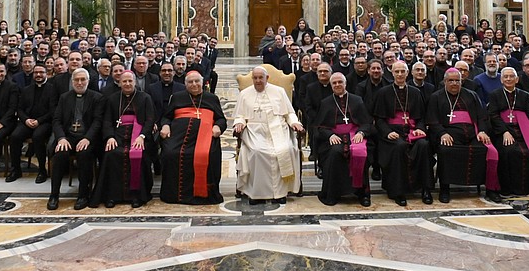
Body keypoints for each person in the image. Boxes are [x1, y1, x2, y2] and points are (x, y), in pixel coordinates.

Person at [233, 66, 303, 204]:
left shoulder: (279, 91)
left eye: (261, 78)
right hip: (254, 130)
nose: (258, 81)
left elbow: (289, 113)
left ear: (267, 78)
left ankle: (280, 193)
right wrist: (239, 123)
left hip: (278, 128)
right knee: (257, 152)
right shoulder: (245, 94)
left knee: (285, 150)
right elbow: (240, 115)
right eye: (255, 78)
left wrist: (295, 122)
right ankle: (256, 193)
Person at [427, 69, 499, 203]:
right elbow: (432, 120)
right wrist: (442, 133)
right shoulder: (436, 97)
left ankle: (490, 189)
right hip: (449, 134)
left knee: (486, 150)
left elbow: (482, 117)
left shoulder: (471, 95)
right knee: (446, 150)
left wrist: (482, 131)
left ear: (462, 81)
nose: (454, 83)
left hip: (473, 134)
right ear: (445, 81)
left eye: (457, 80)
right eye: (451, 80)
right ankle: (445, 188)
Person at [158, 72, 226, 204]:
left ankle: (206, 194)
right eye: (190, 82)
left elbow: (221, 118)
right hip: (179, 135)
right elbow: (167, 116)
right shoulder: (177, 97)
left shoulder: (212, 98)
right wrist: (165, 125)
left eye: (196, 81)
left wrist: (218, 126)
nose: (194, 84)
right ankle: (173, 194)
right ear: (185, 84)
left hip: (205, 135)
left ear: (202, 83)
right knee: (170, 153)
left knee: (207, 153)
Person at [372, 61, 433, 206]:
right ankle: (397, 191)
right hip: (392, 133)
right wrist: (387, 132)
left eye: (402, 71)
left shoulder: (415, 92)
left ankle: (426, 189)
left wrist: (420, 128)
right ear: (392, 73)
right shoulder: (383, 93)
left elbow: (421, 118)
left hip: (412, 131)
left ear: (408, 73)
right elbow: (379, 120)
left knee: (424, 145)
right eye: (396, 71)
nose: (399, 74)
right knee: (399, 147)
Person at [96, 72, 156, 208]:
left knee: (140, 155)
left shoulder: (145, 98)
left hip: (139, 135)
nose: (127, 84)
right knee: (111, 154)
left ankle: (137, 196)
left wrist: (142, 136)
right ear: (119, 83)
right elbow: (107, 121)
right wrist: (109, 137)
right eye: (124, 81)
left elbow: (150, 120)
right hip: (118, 135)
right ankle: (112, 195)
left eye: (130, 81)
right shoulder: (112, 99)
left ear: (135, 82)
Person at [312, 72, 372, 207]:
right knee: (335, 153)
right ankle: (333, 194)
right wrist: (329, 135)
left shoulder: (357, 100)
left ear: (345, 84)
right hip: (334, 138)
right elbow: (320, 127)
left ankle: (363, 194)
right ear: (331, 85)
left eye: (340, 82)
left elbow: (366, 122)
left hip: (355, 136)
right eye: (334, 83)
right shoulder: (326, 103)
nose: (337, 85)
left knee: (360, 152)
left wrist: (361, 132)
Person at [48, 68, 104, 210]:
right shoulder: (64, 97)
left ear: (88, 81)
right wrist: (61, 138)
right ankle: (54, 195)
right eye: (77, 80)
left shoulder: (97, 97)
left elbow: (98, 121)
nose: (80, 83)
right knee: (60, 155)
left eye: (83, 80)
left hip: (87, 138)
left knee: (84, 154)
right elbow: (56, 120)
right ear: (72, 81)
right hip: (68, 137)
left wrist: (87, 138)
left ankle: (83, 195)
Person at [488, 68, 529, 196]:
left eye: (511, 76)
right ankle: (508, 188)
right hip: (503, 130)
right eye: (506, 77)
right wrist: (504, 132)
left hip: (523, 129)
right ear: (501, 79)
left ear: (517, 79)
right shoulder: (495, 94)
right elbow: (493, 115)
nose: (508, 79)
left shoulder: (524, 95)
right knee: (509, 151)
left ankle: (528, 187)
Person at [7, 63, 57, 183]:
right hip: (27, 121)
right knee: (15, 136)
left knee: (38, 136)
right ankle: (16, 169)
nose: (38, 75)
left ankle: (41, 170)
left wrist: (39, 121)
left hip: (45, 122)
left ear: (47, 74)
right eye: (36, 73)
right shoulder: (26, 89)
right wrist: (26, 120)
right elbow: (19, 109)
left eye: (41, 72)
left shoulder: (52, 89)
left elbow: (53, 111)